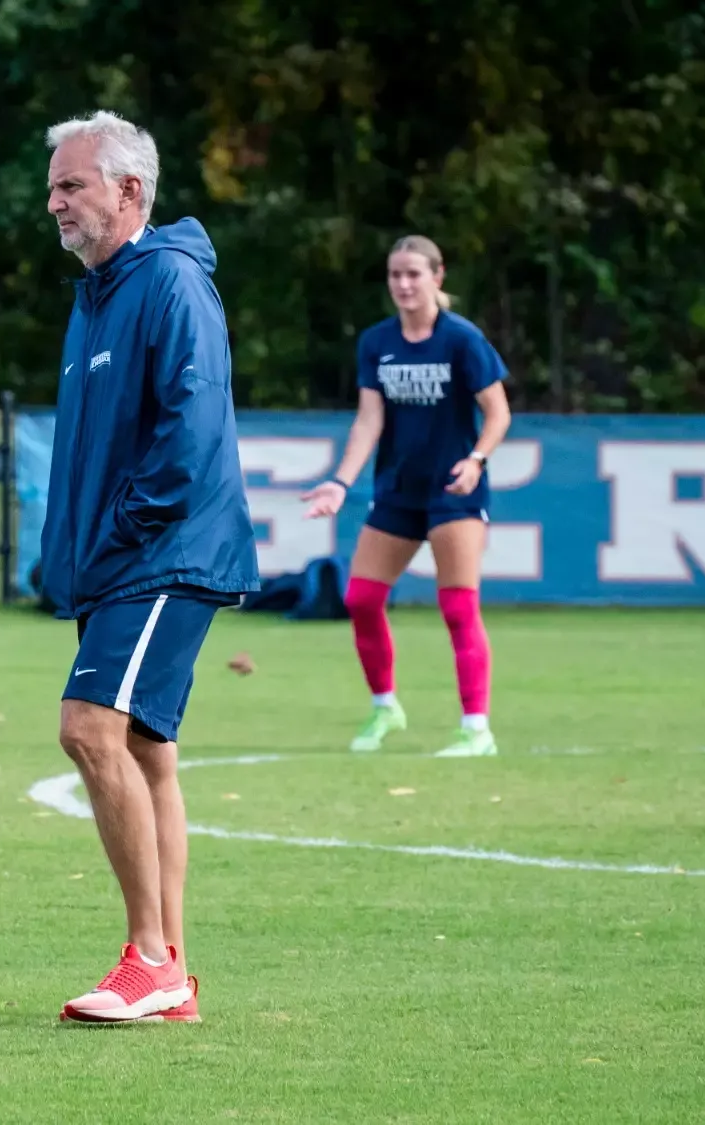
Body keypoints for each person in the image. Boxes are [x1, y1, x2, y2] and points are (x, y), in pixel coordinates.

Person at [39, 111, 259, 1024]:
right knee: (144, 750)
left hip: (163, 552)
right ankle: (173, 975)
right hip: (122, 560)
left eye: (71, 185)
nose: (53, 203)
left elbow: (193, 426)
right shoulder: (97, 294)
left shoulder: (167, 281)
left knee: (89, 729)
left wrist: (126, 528)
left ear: (130, 191)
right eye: (52, 187)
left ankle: (150, 959)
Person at [301, 235, 513, 758]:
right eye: (396, 274)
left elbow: (499, 411)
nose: (404, 284)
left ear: (437, 278)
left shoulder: (462, 339)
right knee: (362, 599)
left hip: (453, 491)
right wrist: (341, 481)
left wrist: (477, 459)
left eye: (414, 274)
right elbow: (370, 419)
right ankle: (385, 707)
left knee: (458, 608)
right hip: (398, 490)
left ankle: (476, 729)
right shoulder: (377, 342)